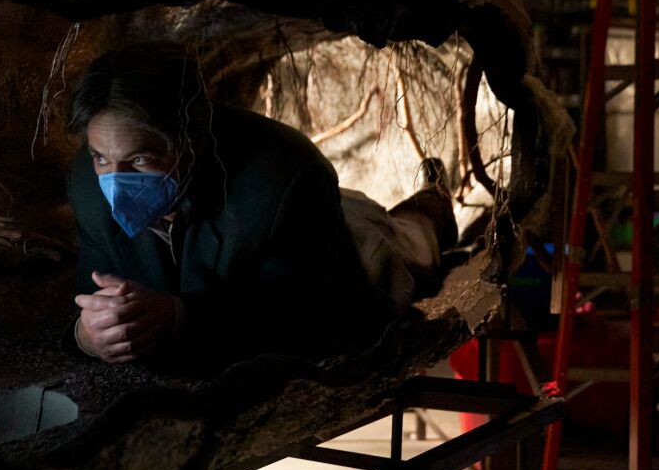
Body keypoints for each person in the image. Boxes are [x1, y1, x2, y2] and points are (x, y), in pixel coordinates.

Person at [66, 43, 457, 372]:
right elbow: (90, 292)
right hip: (290, 226)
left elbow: (312, 317)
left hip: (341, 251)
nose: (115, 183)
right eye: (102, 158)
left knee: (404, 243)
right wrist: (88, 335)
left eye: (139, 161)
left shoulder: (285, 175)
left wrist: (178, 316)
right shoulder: (87, 182)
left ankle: (435, 199)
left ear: (193, 141)